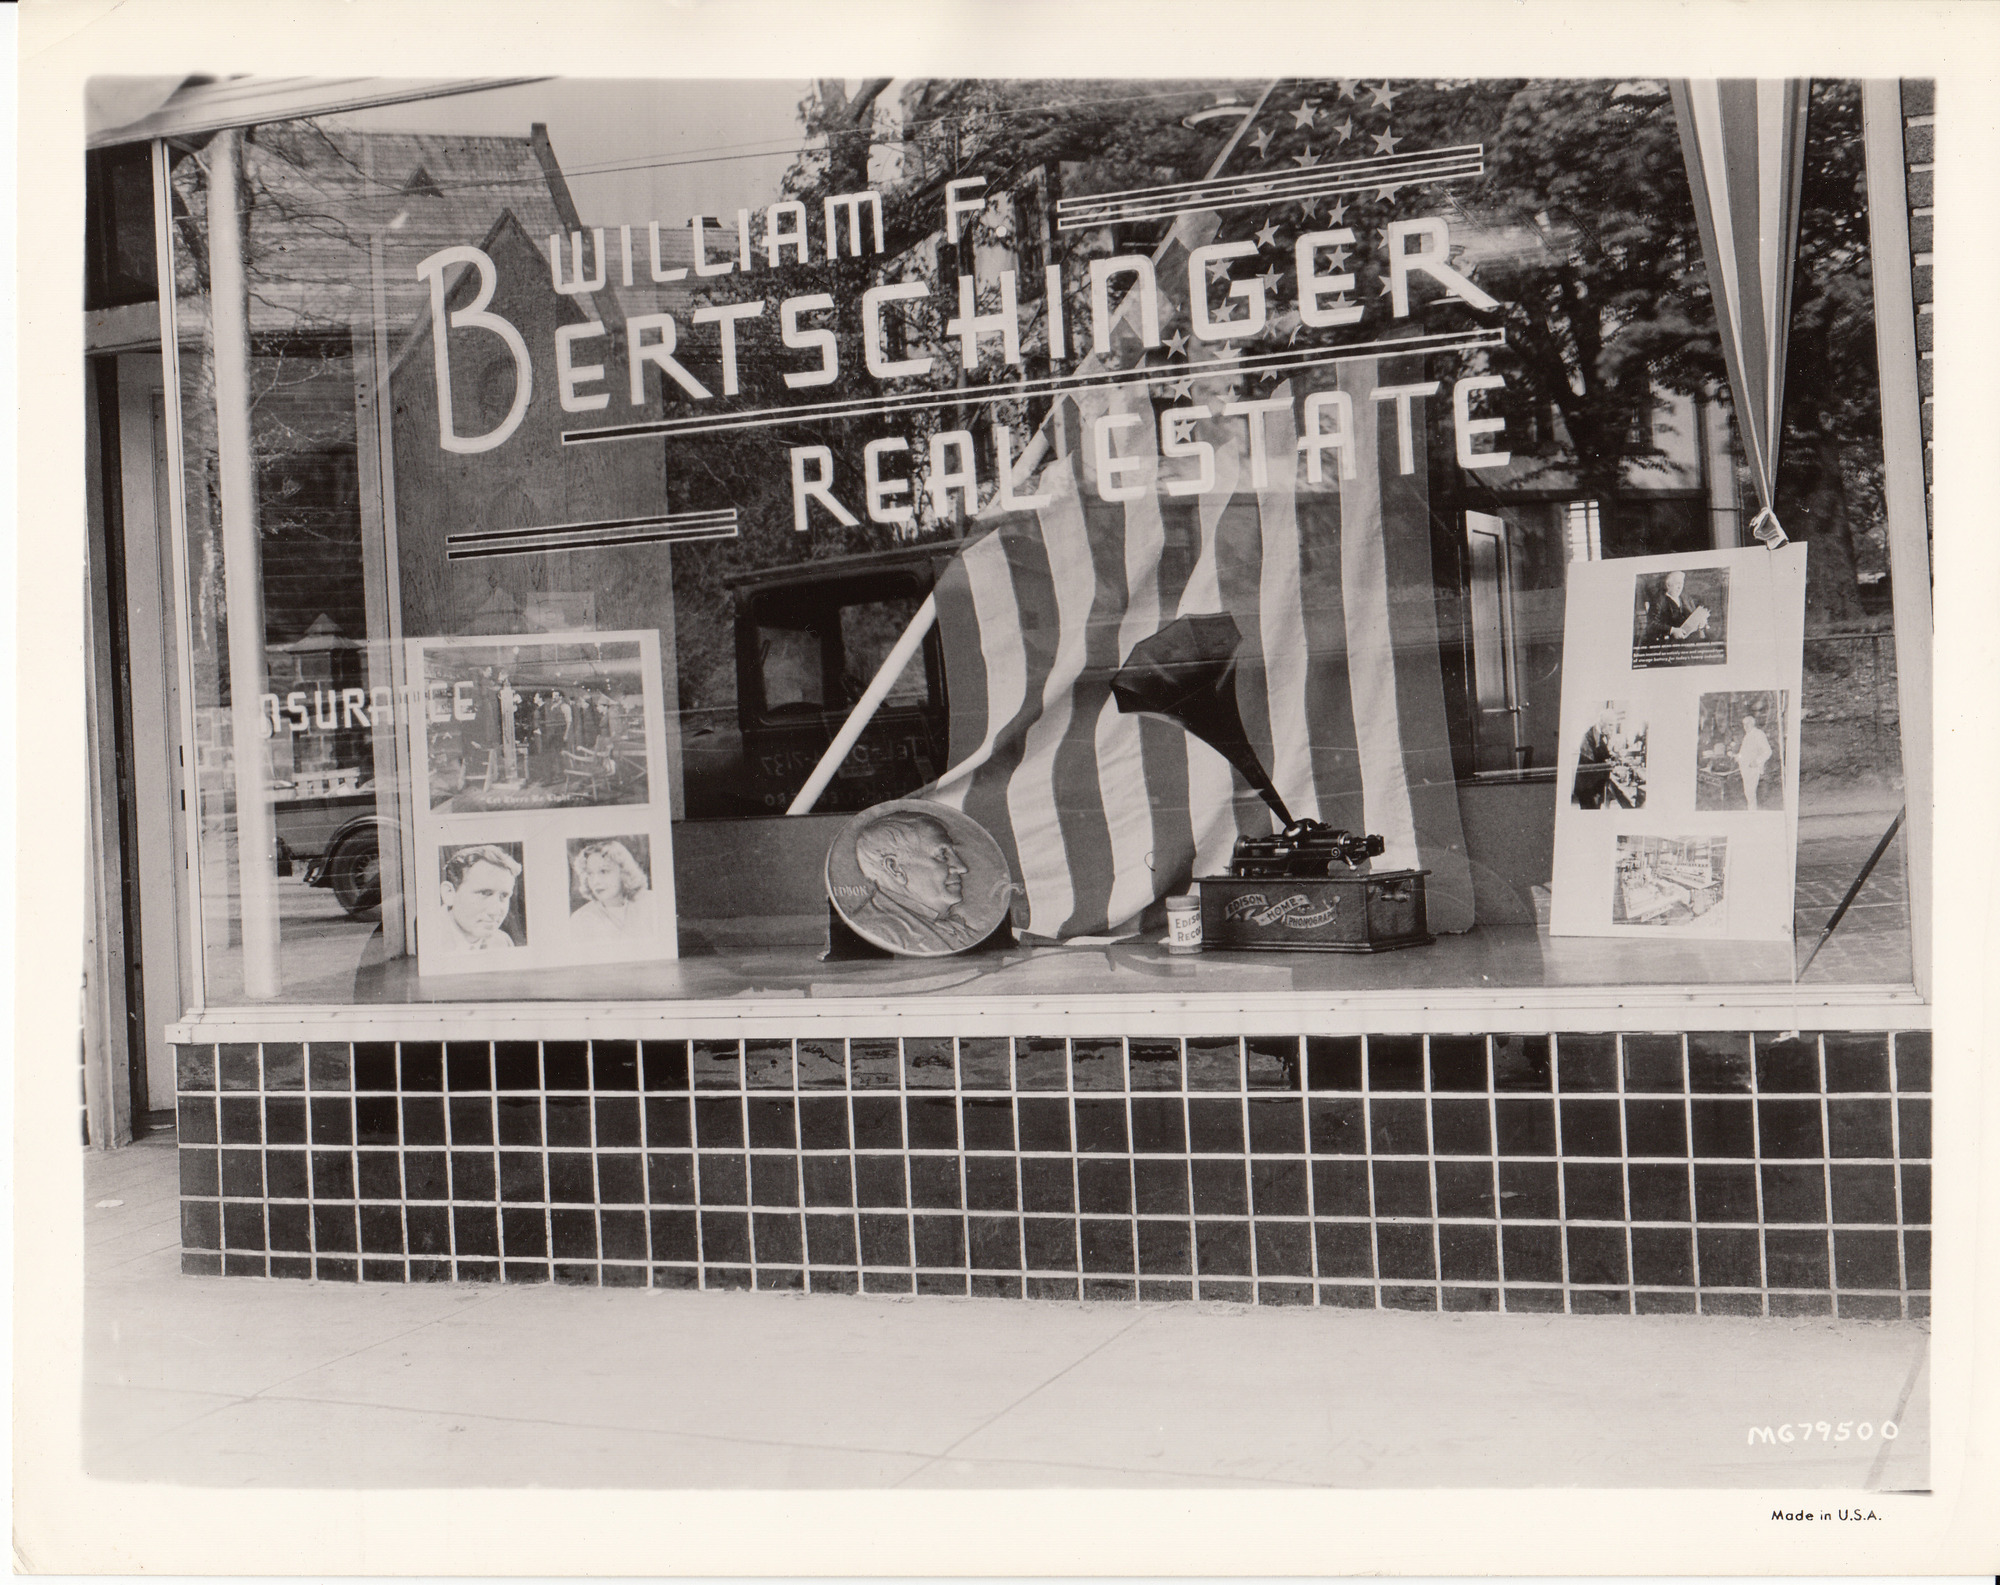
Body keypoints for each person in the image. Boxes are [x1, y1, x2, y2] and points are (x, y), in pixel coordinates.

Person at [847, 811, 982, 954]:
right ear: (895, 868)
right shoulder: (876, 930)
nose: (962, 868)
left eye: (954, 854)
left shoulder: (960, 928)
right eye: (943, 855)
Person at [568, 839, 658, 941]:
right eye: (590, 874)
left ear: (624, 872)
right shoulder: (580, 919)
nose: (595, 881)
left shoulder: (651, 902)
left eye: (604, 871)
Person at [439, 844, 522, 951]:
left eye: (504, 896)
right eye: (484, 893)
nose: (495, 911)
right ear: (449, 893)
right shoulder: (430, 940)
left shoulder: (503, 942)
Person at [1644, 570, 1711, 647]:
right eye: (1677, 584)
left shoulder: (1686, 599)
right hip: (1668, 643)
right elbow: (1652, 624)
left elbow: (1692, 617)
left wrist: (1700, 622)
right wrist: (1672, 630)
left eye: (1681, 584)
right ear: (1668, 585)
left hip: (1689, 639)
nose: (1680, 587)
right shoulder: (1658, 601)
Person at [1570, 708, 1619, 809]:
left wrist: (1611, 753)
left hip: (1596, 785)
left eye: (1613, 725)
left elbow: (1604, 754)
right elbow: (1594, 760)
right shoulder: (1588, 736)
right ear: (1601, 722)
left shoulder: (1601, 734)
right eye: (1610, 725)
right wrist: (1609, 759)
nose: (1612, 729)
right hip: (1587, 787)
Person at [1736, 713, 1773, 811]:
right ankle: (1752, 812)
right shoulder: (1747, 736)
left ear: (1753, 724)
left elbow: (1767, 751)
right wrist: (1737, 756)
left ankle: (1753, 813)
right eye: (1744, 724)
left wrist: (1757, 761)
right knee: (1748, 793)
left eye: (1748, 724)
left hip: (1753, 768)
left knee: (1751, 793)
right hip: (1745, 768)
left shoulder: (1758, 734)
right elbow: (1744, 753)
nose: (1746, 726)